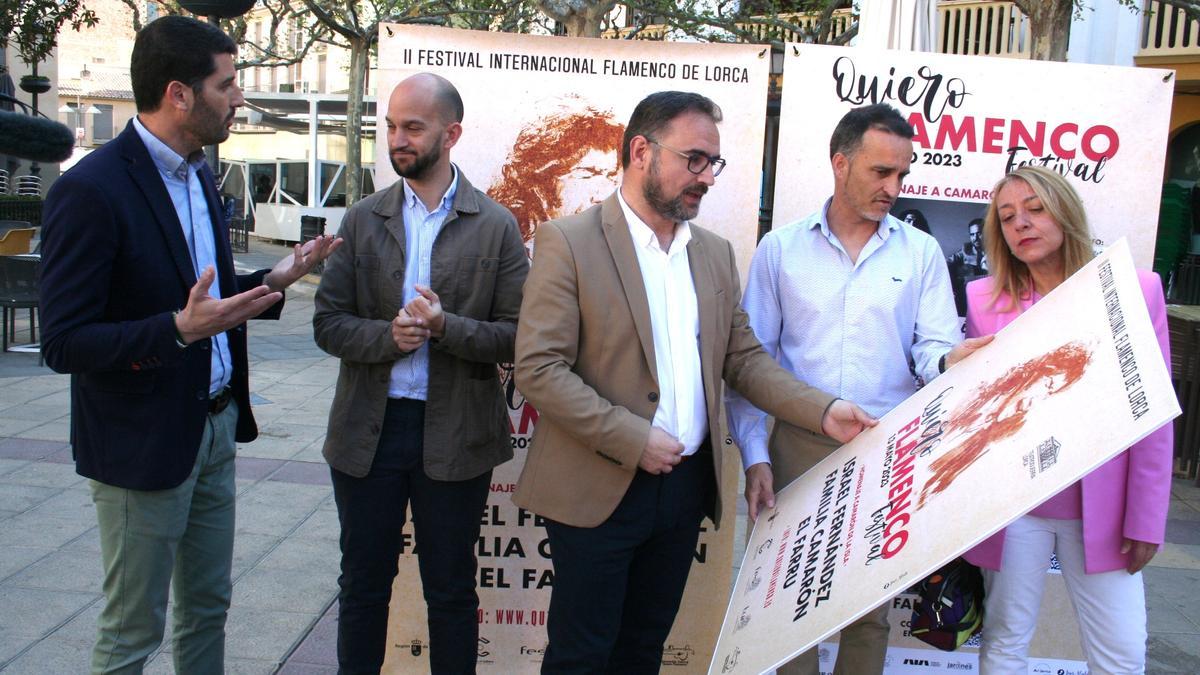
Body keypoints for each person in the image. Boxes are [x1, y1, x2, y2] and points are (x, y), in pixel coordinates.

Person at [512, 90, 877, 673]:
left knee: (643, 650)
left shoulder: (712, 253)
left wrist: (823, 409)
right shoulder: (569, 242)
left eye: (714, 163)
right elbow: (539, 368)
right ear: (640, 152)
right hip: (597, 487)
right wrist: (632, 437)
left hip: (683, 493)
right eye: (694, 159)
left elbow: (745, 361)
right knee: (580, 655)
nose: (706, 177)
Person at [38, 16, 339, 674]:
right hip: (140, 443)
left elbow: (204, 293)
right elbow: (63, 341)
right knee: (132, 627)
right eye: (227, 85)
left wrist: (273, 279)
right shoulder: (89, 191)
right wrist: (176, 330)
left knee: (208, 605)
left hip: (215, 423)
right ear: (179, 94)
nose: (239, 99)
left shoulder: (201, 174)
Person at [725, 103, 987, 675]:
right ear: (840, 163)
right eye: (880, 172)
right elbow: (751, 364)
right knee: (783, 608)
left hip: (886, 448)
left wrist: (948, 358)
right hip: (796, 446)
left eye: (903, 174)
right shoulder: (780, 250)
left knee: (868, 614)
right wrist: (754, 455)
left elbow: (929, 346)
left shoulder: (918, 253)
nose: (894, 187)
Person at [312, 72, 527, 675]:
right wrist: (387, 337)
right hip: (367, 434)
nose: (398, 140)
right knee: (362, 587)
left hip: (457, 435)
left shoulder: (495, 224)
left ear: (451, 133)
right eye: (391, 126)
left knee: (452, 590)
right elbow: (327, 323)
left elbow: (519, 335)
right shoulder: (363, 219)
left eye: (413, 127)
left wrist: (444, 328)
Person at [962, 165, 1173, 674]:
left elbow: (1155, 420)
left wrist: (1146, 518)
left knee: (1121, 651)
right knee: (1005, 640)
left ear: (1065, 213)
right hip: (1014, 508)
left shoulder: (1136, 291)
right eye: (1008, 217)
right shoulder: (984, 301)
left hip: (1104, 509)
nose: (1022, 224)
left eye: (1035, 209)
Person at [486, 98, 625, 249]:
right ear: (539, 186)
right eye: (587, 174)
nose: (601, 195)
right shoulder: (510, 253)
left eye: (610, 177)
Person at [948, 217, 989, 315]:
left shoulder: (996, 249)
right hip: (970, 292)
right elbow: (947, 262)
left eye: (979, 233)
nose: (975, 238)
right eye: (972, 235)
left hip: (989, 292)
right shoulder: (966, 249)